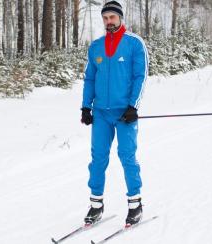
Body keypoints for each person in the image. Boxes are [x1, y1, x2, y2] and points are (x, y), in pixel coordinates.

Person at [80, 0, 148, 226]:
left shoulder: (134, 44)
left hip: (124, 113)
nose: (109, 21)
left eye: (112, 17)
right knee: (98, 158)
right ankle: (96, 205)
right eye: (105, 18)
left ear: (120, 18)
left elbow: (141, 76)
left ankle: (135, 204)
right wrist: (85, 106)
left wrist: (133, 106)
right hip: (101, 113)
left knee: (127, 156)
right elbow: (90, 78)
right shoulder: (96, 47)